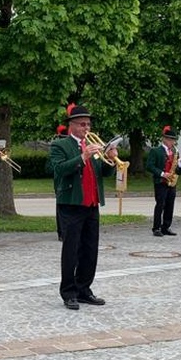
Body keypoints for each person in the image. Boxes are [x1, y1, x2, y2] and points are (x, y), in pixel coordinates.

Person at [48, 103, 117, 309]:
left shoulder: (94, 146)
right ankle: (68, 292)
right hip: (71, 203)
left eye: (88, 124)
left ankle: (84, 288)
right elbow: (59, 170)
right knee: (71, 249)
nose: (86, 128)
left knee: (90, 249)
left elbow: (103, 173)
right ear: (71, 126)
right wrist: (82, 156)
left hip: (92, 203)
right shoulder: (61, 146)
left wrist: (111, 160)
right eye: (82, 124)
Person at [146, 125, 179, 237]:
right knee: (160, 204)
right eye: (170, 140)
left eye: (173, 140)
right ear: (164, 139)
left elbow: (176, 166)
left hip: (171, 182)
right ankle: (156, 227)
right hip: (160, 181)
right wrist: (162, 174)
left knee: (170, 204)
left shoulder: (175, 152)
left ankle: (166, 226)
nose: (172, 142)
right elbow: (149, 166)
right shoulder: (156, 151)